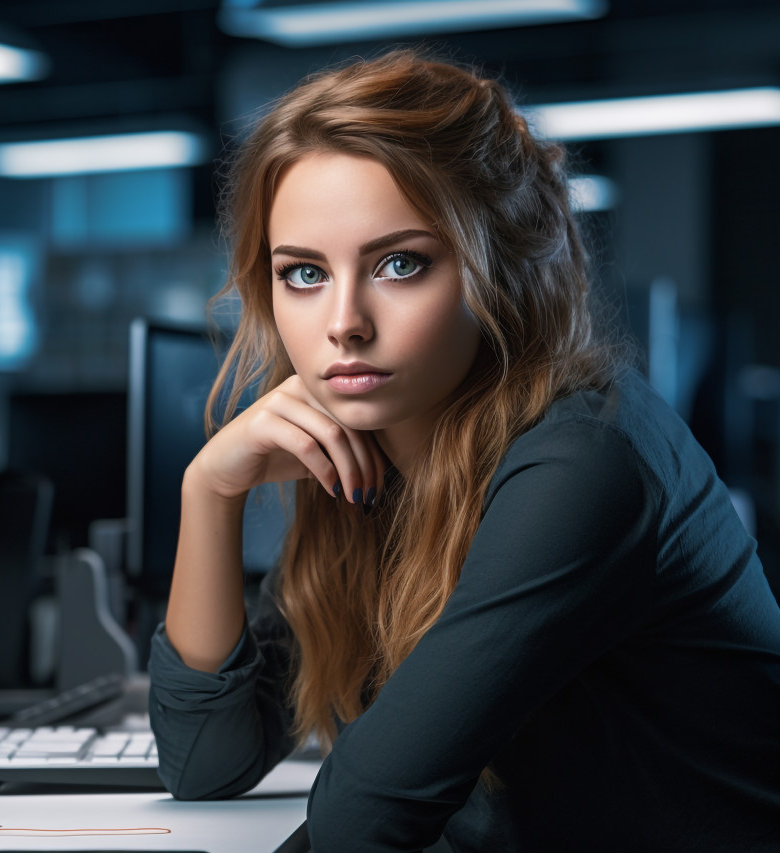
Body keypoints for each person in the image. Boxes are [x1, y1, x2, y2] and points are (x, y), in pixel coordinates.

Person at [147, 49, 780, 852]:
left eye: (399, 264)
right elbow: (205, 759)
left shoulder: (583, 463)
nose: (343, 323)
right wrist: (210, 490)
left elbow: (360, 820)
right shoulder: (381, 455)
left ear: (499, 269)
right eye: (303, 273)